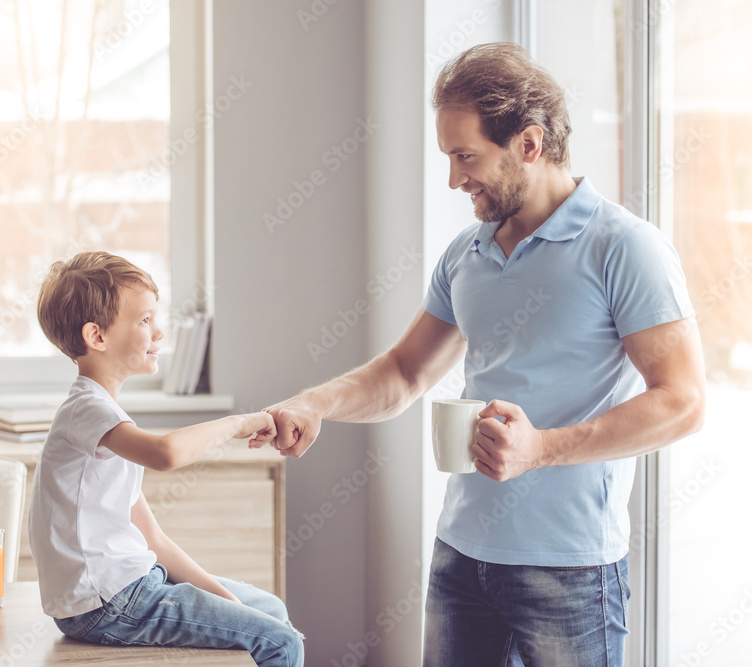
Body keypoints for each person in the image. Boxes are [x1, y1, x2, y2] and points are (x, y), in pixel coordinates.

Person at [262, 43, 705, 666]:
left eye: (465, 156)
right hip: (462, 555)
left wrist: (541, 449)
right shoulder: (465, 253)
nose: (453, 179)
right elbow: (403, 372)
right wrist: (313, 403)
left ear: (529, 143)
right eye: (448, 156)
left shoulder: (626, 247)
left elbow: (683, 402)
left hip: (571, 568)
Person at [28, 251, 303, 667]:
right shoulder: (86, 411)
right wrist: (241, 422)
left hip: (136, 585)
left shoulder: (107, 421)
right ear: (96, 336)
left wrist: (231, 608)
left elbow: (154, 542)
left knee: (271, 613)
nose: (159, 332)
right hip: (106, 603)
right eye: (144, 320)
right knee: (284, 644)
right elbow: (166, 453)